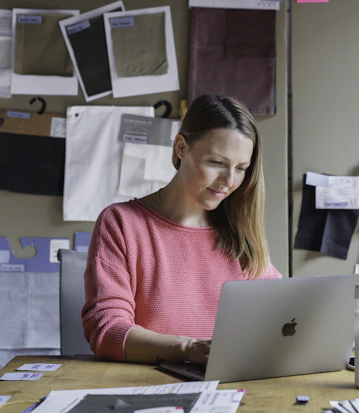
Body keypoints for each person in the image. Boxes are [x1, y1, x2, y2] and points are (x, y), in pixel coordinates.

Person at [82, 95, 283, 365]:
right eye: (217, 163)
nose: (228, 181)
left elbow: (284, 312)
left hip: (229, 387)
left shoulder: (239, 233)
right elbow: (106, 331)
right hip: (148, 386)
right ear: (181, 148)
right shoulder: (121, 223)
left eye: (240, 168)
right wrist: (189, 348)